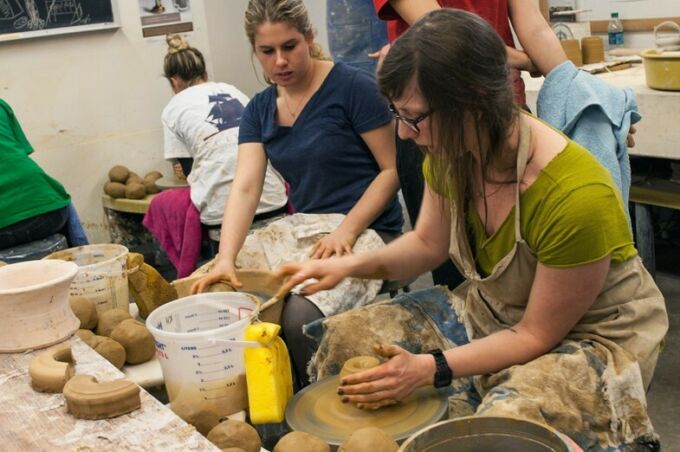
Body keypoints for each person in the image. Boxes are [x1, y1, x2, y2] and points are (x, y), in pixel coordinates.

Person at [277, 10, 668, 450]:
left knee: (503, 426)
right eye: (397, 115)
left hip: (590, 336)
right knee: (349, 338)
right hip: (496, 310)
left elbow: (536, 334)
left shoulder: (576, 194)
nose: (404, 135)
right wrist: (349, 267)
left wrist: (431, 368)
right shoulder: (452, 152)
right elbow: (427, 246)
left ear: (474, 102)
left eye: (414, 117)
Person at [191, 0, 403, 383]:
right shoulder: (259, 109)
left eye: (289, 47)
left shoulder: (353, 88)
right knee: (217, 290)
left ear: (309, 37)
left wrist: (347, 231)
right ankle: (267, 404)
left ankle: (318, 407)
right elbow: (246, 186)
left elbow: (392, 171)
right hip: (305, 229)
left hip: (370, 230)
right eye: (267, 52)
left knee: (298, 317)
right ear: (254, 51)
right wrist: (226, 256)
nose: (280, 62)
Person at [144, 34, 288, 277]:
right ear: (205, 73)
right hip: (274, 198)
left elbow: (188, 171)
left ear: (174, 81)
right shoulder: (231, 90)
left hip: (226, 215)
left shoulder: (173, 107)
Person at [0, 98, 88, 252]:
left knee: (51, 194)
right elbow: (19, 155)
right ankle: (87, 262)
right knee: (57, 195)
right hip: (48, 216)